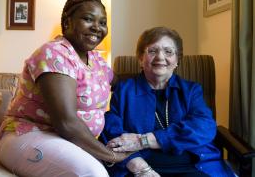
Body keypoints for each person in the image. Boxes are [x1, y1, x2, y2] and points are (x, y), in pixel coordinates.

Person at [0, 0, 130, 177]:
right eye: (88, 19)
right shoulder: (54, 53)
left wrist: (155, 70)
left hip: (67, 141)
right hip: (28, 134)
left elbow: (121, 82)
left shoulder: (96, 60)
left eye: (102, 22)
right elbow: (66, 122)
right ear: (67, 22)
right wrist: (111, 156)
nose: (97, 28)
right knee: (94, 173)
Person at [99, 27, 235, 177]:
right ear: (140, 58)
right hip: (142, 167)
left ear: (177, 60)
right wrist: (137, 165)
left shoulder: (191, 90)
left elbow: (204, 127)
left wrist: (143, 140)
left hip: (192, 166)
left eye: (168, 52)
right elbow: (111, 130)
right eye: (152, 51)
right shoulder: (125, 90)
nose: (160, 57)